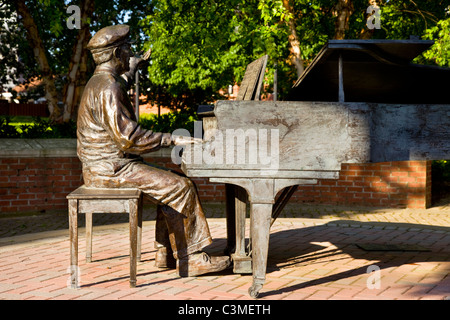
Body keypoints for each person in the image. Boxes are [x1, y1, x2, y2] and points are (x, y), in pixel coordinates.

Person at [77, 24, 230, 277]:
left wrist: (131, 70)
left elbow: (118, 90)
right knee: (181, 187)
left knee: (173, 182)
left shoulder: (103, 82)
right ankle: (192, 258)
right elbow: (129, 139)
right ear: (117, 54)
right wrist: (172, 139)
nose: (130, 53)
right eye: (127, 49)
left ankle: (165, 253)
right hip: (111, 169)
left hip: (106, 166)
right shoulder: (108, 88)